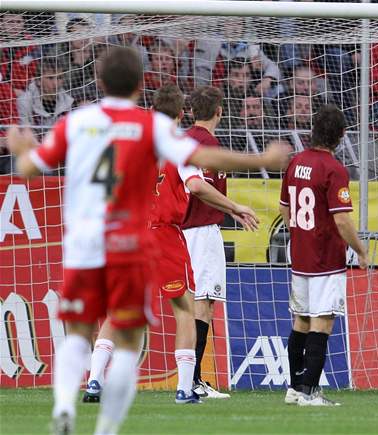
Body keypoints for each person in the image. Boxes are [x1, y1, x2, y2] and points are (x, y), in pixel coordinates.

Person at [6, 47, 290, 435]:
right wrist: (262, 162)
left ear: (100, 81)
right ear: (140, 86)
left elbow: (30, 167)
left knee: (83, 326)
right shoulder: (153, 130)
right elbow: (202, 162)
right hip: (135, 237)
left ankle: (71, 400)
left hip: (85, 240)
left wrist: (21, 150)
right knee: (153, 319)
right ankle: (141, 410)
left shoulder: (79, 121)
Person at [80, 85, 263, 405]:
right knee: (184, 309)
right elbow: (196, 185)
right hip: (165, 233)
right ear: (181, 114)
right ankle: (185, 387)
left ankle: (94, 380)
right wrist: (235, 207)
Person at [279, 104, 369, 406]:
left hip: (300, 254)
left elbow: (283, 208)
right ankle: (309, 392)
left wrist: (300, 233)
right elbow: (342, 220)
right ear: (341, 135)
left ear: (313, 130)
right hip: (325, 258)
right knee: (323, 322)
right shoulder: (334, 169)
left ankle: (295, 388)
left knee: (301, 321)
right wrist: (360, 250)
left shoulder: (295, 162)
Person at [180, 85, 252, 400]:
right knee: (203, 303)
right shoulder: (207, 144)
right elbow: (198, 187)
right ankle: (193, 381)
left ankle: (191, 380)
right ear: (220, 111)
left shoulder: (180, 141)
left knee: (190, 303)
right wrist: (234, 206)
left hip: (178, 230)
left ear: (191, 111)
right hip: (200, 231)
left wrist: (229, 210)